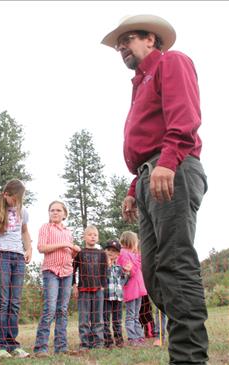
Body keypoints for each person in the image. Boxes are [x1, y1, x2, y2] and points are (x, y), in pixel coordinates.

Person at [102, 14, 209, 364]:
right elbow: (145, 141)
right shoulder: (140, 83)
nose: (121, 46)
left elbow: (184, 116)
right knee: (155, 272)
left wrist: (170, 159)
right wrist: (135, 185)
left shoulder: (172, 63)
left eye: (127, 39)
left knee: (176, 263)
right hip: (152, 173)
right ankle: (185, 348)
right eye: (118, 43)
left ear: (151, 39)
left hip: (172, 168)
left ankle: (189, 358)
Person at [0, 179, 32, 359]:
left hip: (18, 256)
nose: (17, 203)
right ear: (6, 195)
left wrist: (29, 248)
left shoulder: (23, 211)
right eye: (15, 199)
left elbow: (25, 231)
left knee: (15, 302)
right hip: (0, 256)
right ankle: (0, 345)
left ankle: (13, 344)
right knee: (3, 300)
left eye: (20, 200)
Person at [33, 201, 81, 357]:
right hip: (51, 271)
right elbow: (41, 248)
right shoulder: (45, 228)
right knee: (50, 309)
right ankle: (41, 347)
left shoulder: (68, 231)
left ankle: (61, 346)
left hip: (67, 272)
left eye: (58, 210)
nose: (55, 212)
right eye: (52, 210)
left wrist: (74, 251)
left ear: (64, 214)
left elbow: (69, 253)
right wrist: (64, 244)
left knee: (62, 310)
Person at [72, 225, 107, 351]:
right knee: (84, 318)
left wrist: (103, 285)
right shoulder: (80, 253)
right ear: (84, 237)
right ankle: (85, 343)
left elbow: (104, 270)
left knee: (98, 318)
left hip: (98, 289)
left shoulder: (102, 254)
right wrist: (74, 285)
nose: (92, 237)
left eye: (95, 235)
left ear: (97, 238)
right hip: (83, 289)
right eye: (90, 234)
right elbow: (73, 269)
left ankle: (98, 343)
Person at [117, 231, 147, 346]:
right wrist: (138, 260)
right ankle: (132, 338)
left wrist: (138, 259)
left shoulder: (134, 254)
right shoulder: (123, 253)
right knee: (131, 314)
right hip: (130, 289)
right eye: (136, 241)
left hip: (138, 289)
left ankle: (139, 336)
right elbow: (131, 271)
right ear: (131, 242)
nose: (137, 244)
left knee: (136, 314)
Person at [103, 239, 131, 349]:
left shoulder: (119, 268)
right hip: (106, 296)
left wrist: (127, 272)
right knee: (105, 320)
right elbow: (103, 278)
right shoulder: (103, 266)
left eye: (114, 251)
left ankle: (119, 341)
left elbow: (123, 282)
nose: (111, 253)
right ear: (105, 251)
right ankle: (108, 341)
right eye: (109, 250)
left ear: (118, 254)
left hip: (118, 297)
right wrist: (108, 265)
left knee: (117, 320)